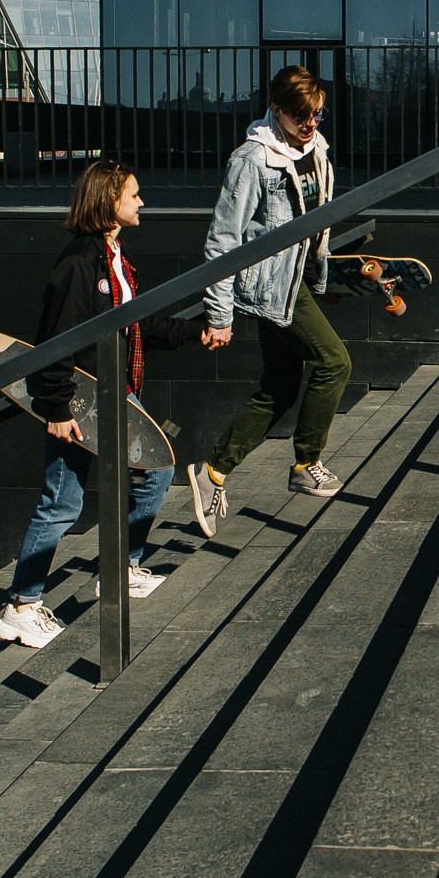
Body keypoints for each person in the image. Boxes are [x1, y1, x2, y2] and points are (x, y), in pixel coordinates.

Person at [0, 160, 194, 649]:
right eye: (134, 195)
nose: (141, 202)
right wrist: (58, 409)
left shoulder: (115, 257)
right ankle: (22, 604)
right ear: (109, 203)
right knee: (62, 500)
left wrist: (196, 331)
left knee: (156, 468)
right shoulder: (80, 263)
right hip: (81, 399)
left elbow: (135, 328)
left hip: (115, 392)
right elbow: (57, 340)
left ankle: (120, 569)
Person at [186, 64, 352, 539]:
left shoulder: (316, 148)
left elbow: (316, 226)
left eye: (317, 114)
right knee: (335, 363)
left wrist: (324, 279)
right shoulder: (252, 159)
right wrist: (219, 314)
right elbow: (223, 240)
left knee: (279, 386)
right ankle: (307, 462)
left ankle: (213, 470)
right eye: (301, 116)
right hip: (272, 287)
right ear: (276, 109)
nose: (311, 124)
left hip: (298, 282)